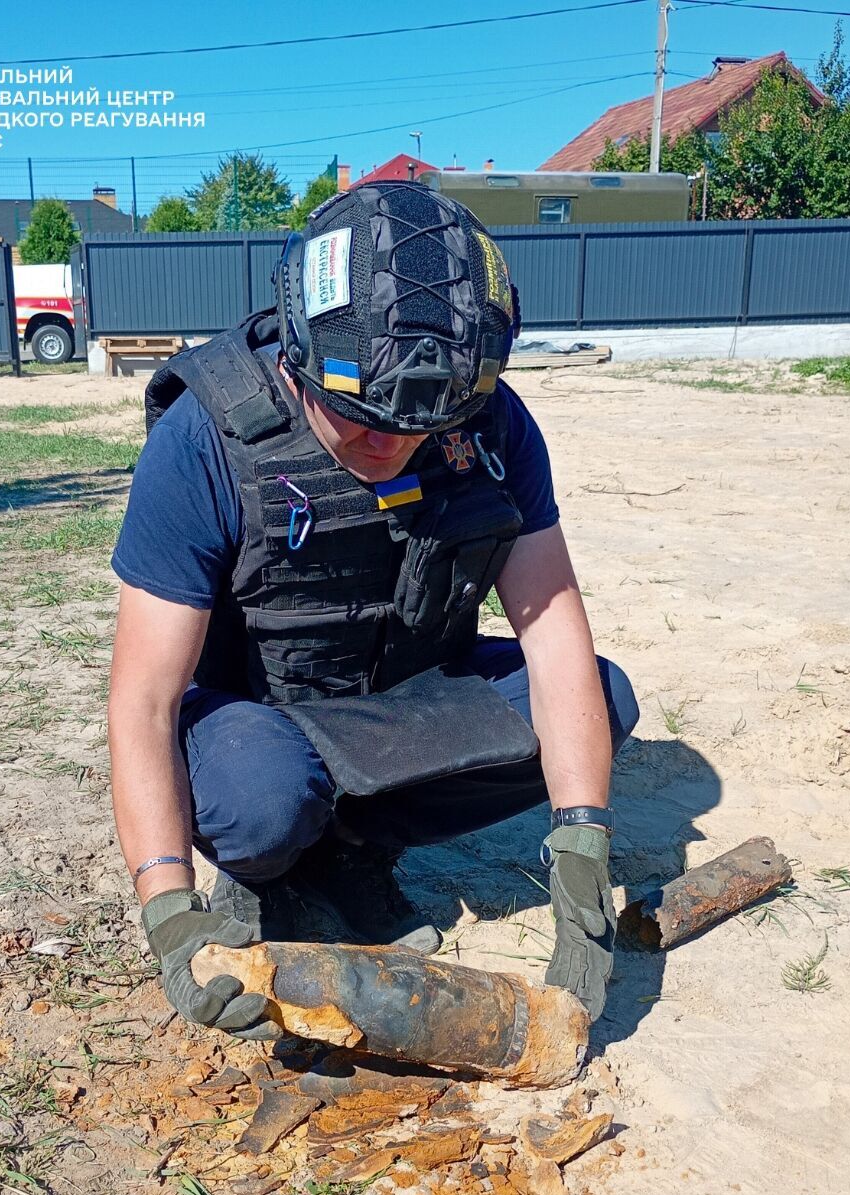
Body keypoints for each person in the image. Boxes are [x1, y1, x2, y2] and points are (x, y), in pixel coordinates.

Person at [107, 180, 638, 1045]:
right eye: (359, 420)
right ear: (299, 356)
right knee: (260, 802)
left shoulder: (494, 423)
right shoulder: (206, 439)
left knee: (598, 701)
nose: (389, 445)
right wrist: (168, 913)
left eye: (421, 426)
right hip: (260, 722)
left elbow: (554, 636)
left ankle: (353, 852)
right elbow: (142, 702)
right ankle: (275, 867)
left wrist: (582, 854)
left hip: (398, 692)